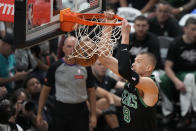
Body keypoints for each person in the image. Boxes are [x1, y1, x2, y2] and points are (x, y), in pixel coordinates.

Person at [98, 19, 159, 131]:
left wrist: (125, 36)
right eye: (134, 60)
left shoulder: (149, 84)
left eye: (138, 61)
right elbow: (103, 58)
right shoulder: (130, 77)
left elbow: (124, 70)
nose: (134, 63)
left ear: (148, 68)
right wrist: (107, 25)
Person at [36, 35, 97, 131]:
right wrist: (39, 113)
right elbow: (45, 91)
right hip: (61, 110)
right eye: (69, 46)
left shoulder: (86, 66)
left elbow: (92, 91)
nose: (72, 49)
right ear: (63, 49)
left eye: (75, 46)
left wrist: (93, 115)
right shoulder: (55, 67)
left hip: (80, 111)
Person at [160, 17, 196, 129]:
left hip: (193, 72)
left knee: (189, 78)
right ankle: (169, 112)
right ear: (185, 29)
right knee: (162, 79)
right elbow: (168, 67)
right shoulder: (175, 43)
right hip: (179, 72)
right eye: (193, 29)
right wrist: (176, 81)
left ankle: (187, 115)